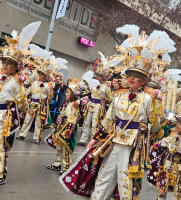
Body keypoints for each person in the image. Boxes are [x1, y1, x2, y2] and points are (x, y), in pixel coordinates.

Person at [59, 25, 176, 199]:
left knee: (125, 180)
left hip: (133, 145)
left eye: (136, 76)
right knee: (104, 176)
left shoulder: (148, 99)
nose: (131, 78)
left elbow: (155, 124)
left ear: (143, 80)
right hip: (114, 139)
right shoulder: (118, 97)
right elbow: (108, 120)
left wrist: (148, 130)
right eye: (129, 74)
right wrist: (95, 138)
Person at [0, 21, 41, 184]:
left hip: (4, 118)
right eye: (4, 62)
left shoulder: (16, 82)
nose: (6, 66)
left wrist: (18, 110)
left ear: (16, 66)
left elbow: (22, 103)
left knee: (0, 146)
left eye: (9, 63)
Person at [77, 52, 109, 146]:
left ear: (103, 77)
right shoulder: (92, 84)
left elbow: (109, 97)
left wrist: (105, 101)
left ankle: (93, 140)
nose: (98, 78)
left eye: (100, 76)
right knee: (86, 123)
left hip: (98, 106)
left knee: (95, 124)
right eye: (98, 76)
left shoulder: (105, 87)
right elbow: (87, 92)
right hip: (90, 104)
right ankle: (83, 140)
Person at [16, 65, 53, 144]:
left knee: (39, 121)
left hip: (41, 104)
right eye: (39, 74)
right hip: (32, 103)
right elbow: (28, 92)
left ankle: (37, 137)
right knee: (28, 119)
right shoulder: (34, 83)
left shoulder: (47, 86)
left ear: (45, 76)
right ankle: (22, 134)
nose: (40, 76)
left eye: (42, 75)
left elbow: (50, 97)